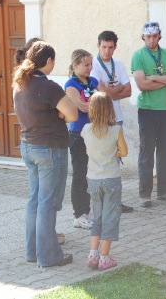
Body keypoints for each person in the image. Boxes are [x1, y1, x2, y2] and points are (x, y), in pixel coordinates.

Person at [12, 40, 77, 267]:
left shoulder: (20, 83)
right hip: (49, 148)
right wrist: (61, 113)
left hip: (28, 146)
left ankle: (32, 252)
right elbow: (73, 114)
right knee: (47, 202)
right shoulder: (49, 87)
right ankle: (48, 255)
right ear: (48, 60)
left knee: (35, 200)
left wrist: (60, 112)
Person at [131, 21, 166, 207]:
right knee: (147, 151)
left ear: (159, 35)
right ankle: (145, 194)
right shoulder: (138, 56)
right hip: (148, 110)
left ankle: (164, 191)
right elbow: (141, 84)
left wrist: (153, 77)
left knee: (164, 151)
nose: (152, 40)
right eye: (148, 36)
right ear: (143, 37)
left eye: (154, 36)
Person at [82, 92, 128, 271]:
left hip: (93, 179)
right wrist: (116, 152)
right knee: (110, 217)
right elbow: (124, 152)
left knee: (98, 216)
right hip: (111, 179)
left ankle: (93, 254)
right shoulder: (116, 130)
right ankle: (105, 257)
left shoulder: (86, 129)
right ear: (110, 109)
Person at [90, 30, 134, 213]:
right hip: (102, 119)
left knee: (116, 161)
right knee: (102, 162)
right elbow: (100, 93)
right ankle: (101, 203)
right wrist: (117, 89)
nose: (107, 51)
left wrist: (109, 91)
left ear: (115, 47)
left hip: (117, 119)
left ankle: (116, 202)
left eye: (110, 47)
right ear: (98, 45)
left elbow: (129, 91)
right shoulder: (93, 64)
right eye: (104, 47)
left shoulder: (119, 63)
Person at [64, 49, 99, 230]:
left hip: (93, 132)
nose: (90, 67)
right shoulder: (70, 85)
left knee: (90, 174)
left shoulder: (93, 82)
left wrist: (95, 103)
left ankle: (87, 210)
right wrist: (97, 102)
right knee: (79, 175)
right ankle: (78, 215)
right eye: (86, 64)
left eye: (91, 64)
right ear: (75, 65)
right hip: (78, 134)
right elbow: (83, 107)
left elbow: (103, 102)